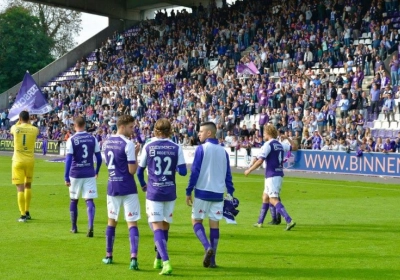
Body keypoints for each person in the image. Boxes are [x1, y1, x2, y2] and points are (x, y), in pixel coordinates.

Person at [137, 118, 187, 275]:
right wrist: (174, 168)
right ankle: (158, 259)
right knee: (165, 225)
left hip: (154, 191)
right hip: (170, 191)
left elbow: (139, 171)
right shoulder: (176, 147)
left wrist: (143, 185)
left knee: (157, 225)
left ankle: (166, 262)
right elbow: (184, 171)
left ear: (155, 131)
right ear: (170, 130)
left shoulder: (149, 147)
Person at [186, 121, 235, 268]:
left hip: (202, 192)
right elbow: (228, 175)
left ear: (209, 133)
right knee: (214, 225)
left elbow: (194, 172)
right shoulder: (224, 152)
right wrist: (231, 193)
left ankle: (207, 247)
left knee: (196, 221)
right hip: (218, 194)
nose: (198, 134)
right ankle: (212, 261)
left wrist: (188, 191)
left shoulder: (202, 149)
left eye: (201, 131)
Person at [102, 115, 141, 270]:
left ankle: (109, 255)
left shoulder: (106, 142)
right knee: (132, 222)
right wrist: (136, 154)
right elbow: (132, 170)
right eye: (131, 127)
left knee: (112, 221)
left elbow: (108, 165)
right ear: (123, 126)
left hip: (112, 186)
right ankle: (133, 258)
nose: (133, 130)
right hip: (128, 187)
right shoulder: (128, 144)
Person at [244, 124, 296, 230]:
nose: (263, 135)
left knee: (273, 199)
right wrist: (287, 138)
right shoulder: (280, 144)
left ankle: (289, 220)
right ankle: (260, 222)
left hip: (272, 175)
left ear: (268, 133)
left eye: (264, 133)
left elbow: (260, 161)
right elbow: (295, 147)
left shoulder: (268, 144)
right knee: (265, 197)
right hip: (277, 174)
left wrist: (249, 169)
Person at [64, 116, 102, 237]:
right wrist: (96, 171)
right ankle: (90, 226)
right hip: (89, 173)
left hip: (75, 173)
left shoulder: (72, 139)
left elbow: (68, 160)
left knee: (74, 200)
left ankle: (74, 227)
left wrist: (66, 177)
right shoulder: (92, 138)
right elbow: (99, 158)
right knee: (89, 200)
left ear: (75, 126)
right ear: (85, 125)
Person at [10, 111, 39, 222]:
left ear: (20, 118)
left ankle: (22, 215)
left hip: (18, 160)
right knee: (28, 185)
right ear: (29, 119)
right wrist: (28, 122)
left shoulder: (15, 128)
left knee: (20, 188)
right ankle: (27, 211)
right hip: (30, 161)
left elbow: (14, 128)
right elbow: (31, 127)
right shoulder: (34, 129)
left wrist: (20, 121)